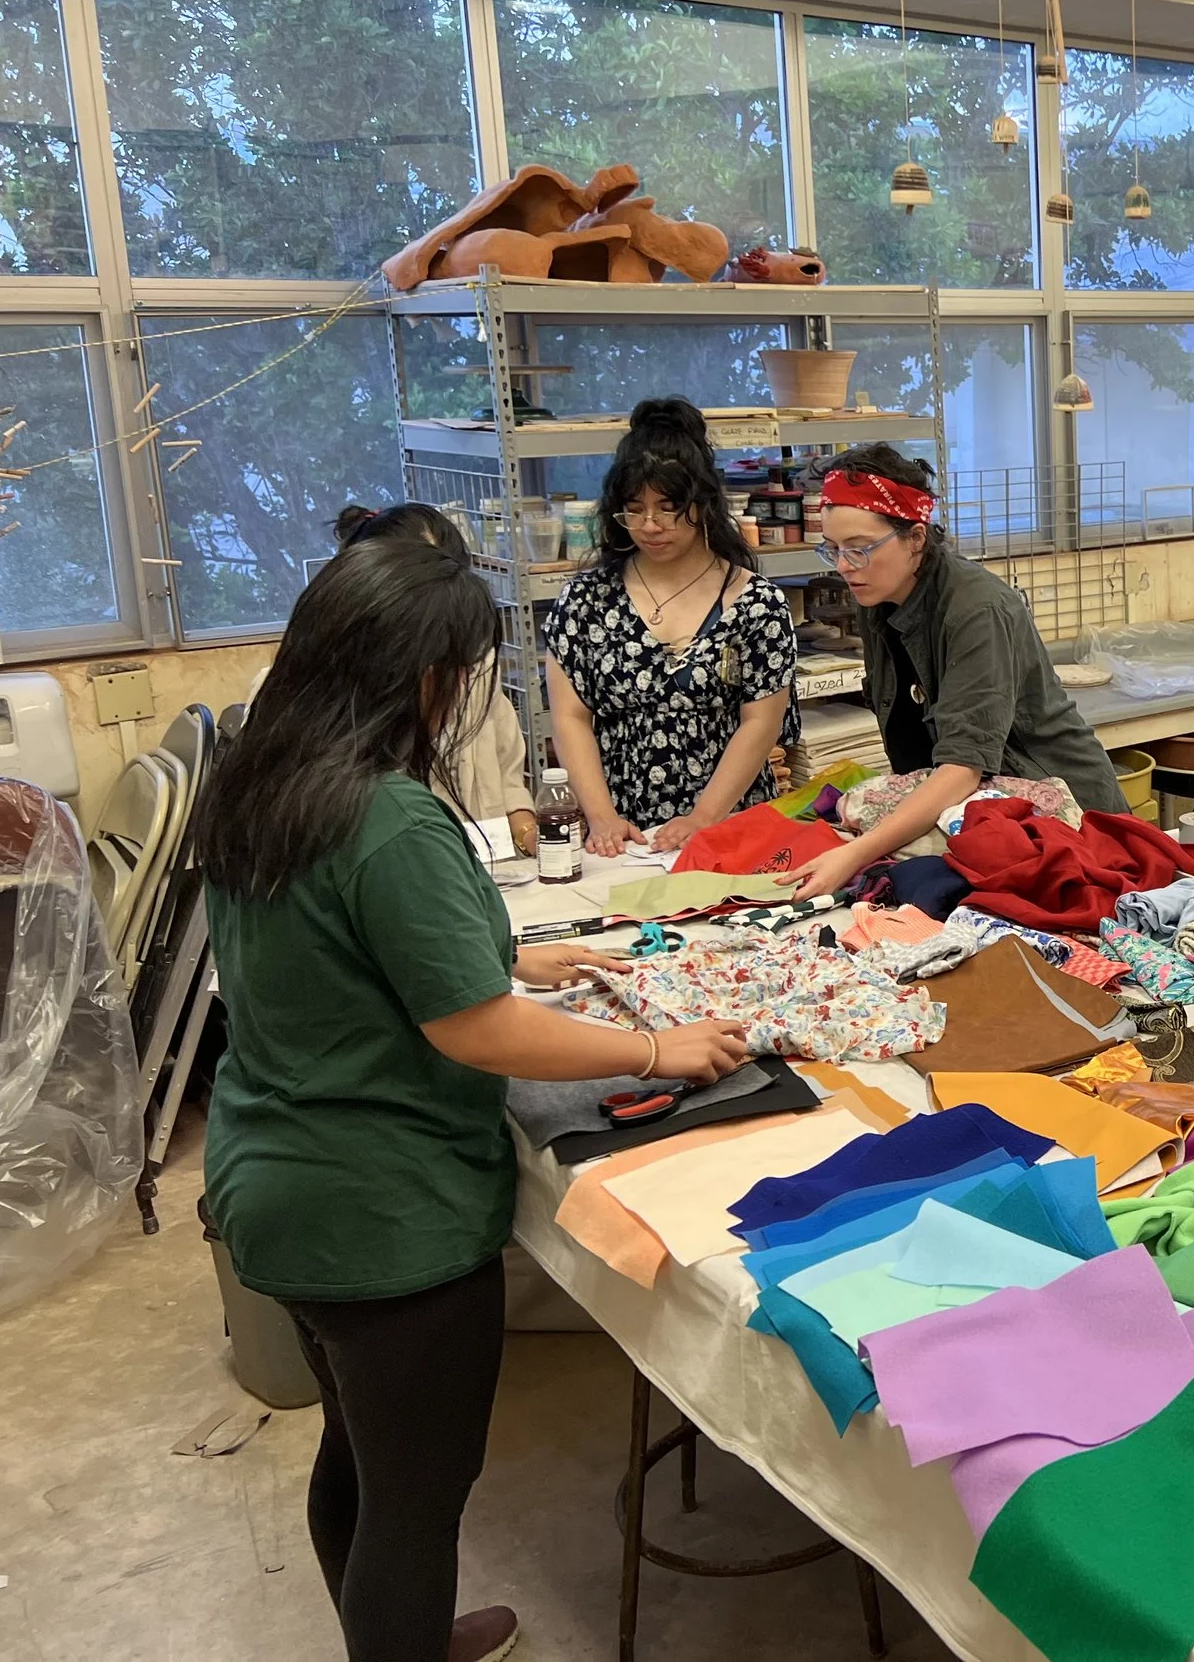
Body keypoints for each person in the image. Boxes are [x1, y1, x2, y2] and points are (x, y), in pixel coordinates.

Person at [197, 536, 749, 1662]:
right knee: (417, 1498)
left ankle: (399, 1637)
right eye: (462, 672)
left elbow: (341, 954)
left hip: (272, 1181)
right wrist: (656, 1050)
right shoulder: (390, 816)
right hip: (380, 1213)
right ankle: (400, 1640)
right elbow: (475, 1030)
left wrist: (502, 956)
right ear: (422, 677)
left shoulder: (260, 783)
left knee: (358, 1453)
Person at [785, 443, 1128, 900]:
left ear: (915, 538)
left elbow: (963, 767)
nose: (845, 567)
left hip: (1067, 816)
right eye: (833, 550)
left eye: (860, 549)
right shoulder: (877, 596)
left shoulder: (975, 610)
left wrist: (856, 853)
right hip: (973, 813)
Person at [543, 398, 799, 856]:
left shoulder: (758, 604)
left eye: (667, 508)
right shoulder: (585, 601)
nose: (650, 525)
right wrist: (601, 817)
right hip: (624, 830)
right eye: (634, 509)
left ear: (703, 503)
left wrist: (704, 817)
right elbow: (570, 717)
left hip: (729, 821)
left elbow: (761, 723)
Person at [325, 503, 538, 856]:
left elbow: (509, 781)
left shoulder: (475, 663)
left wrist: (532, 838)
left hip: (483, 864)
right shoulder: (321, 694)